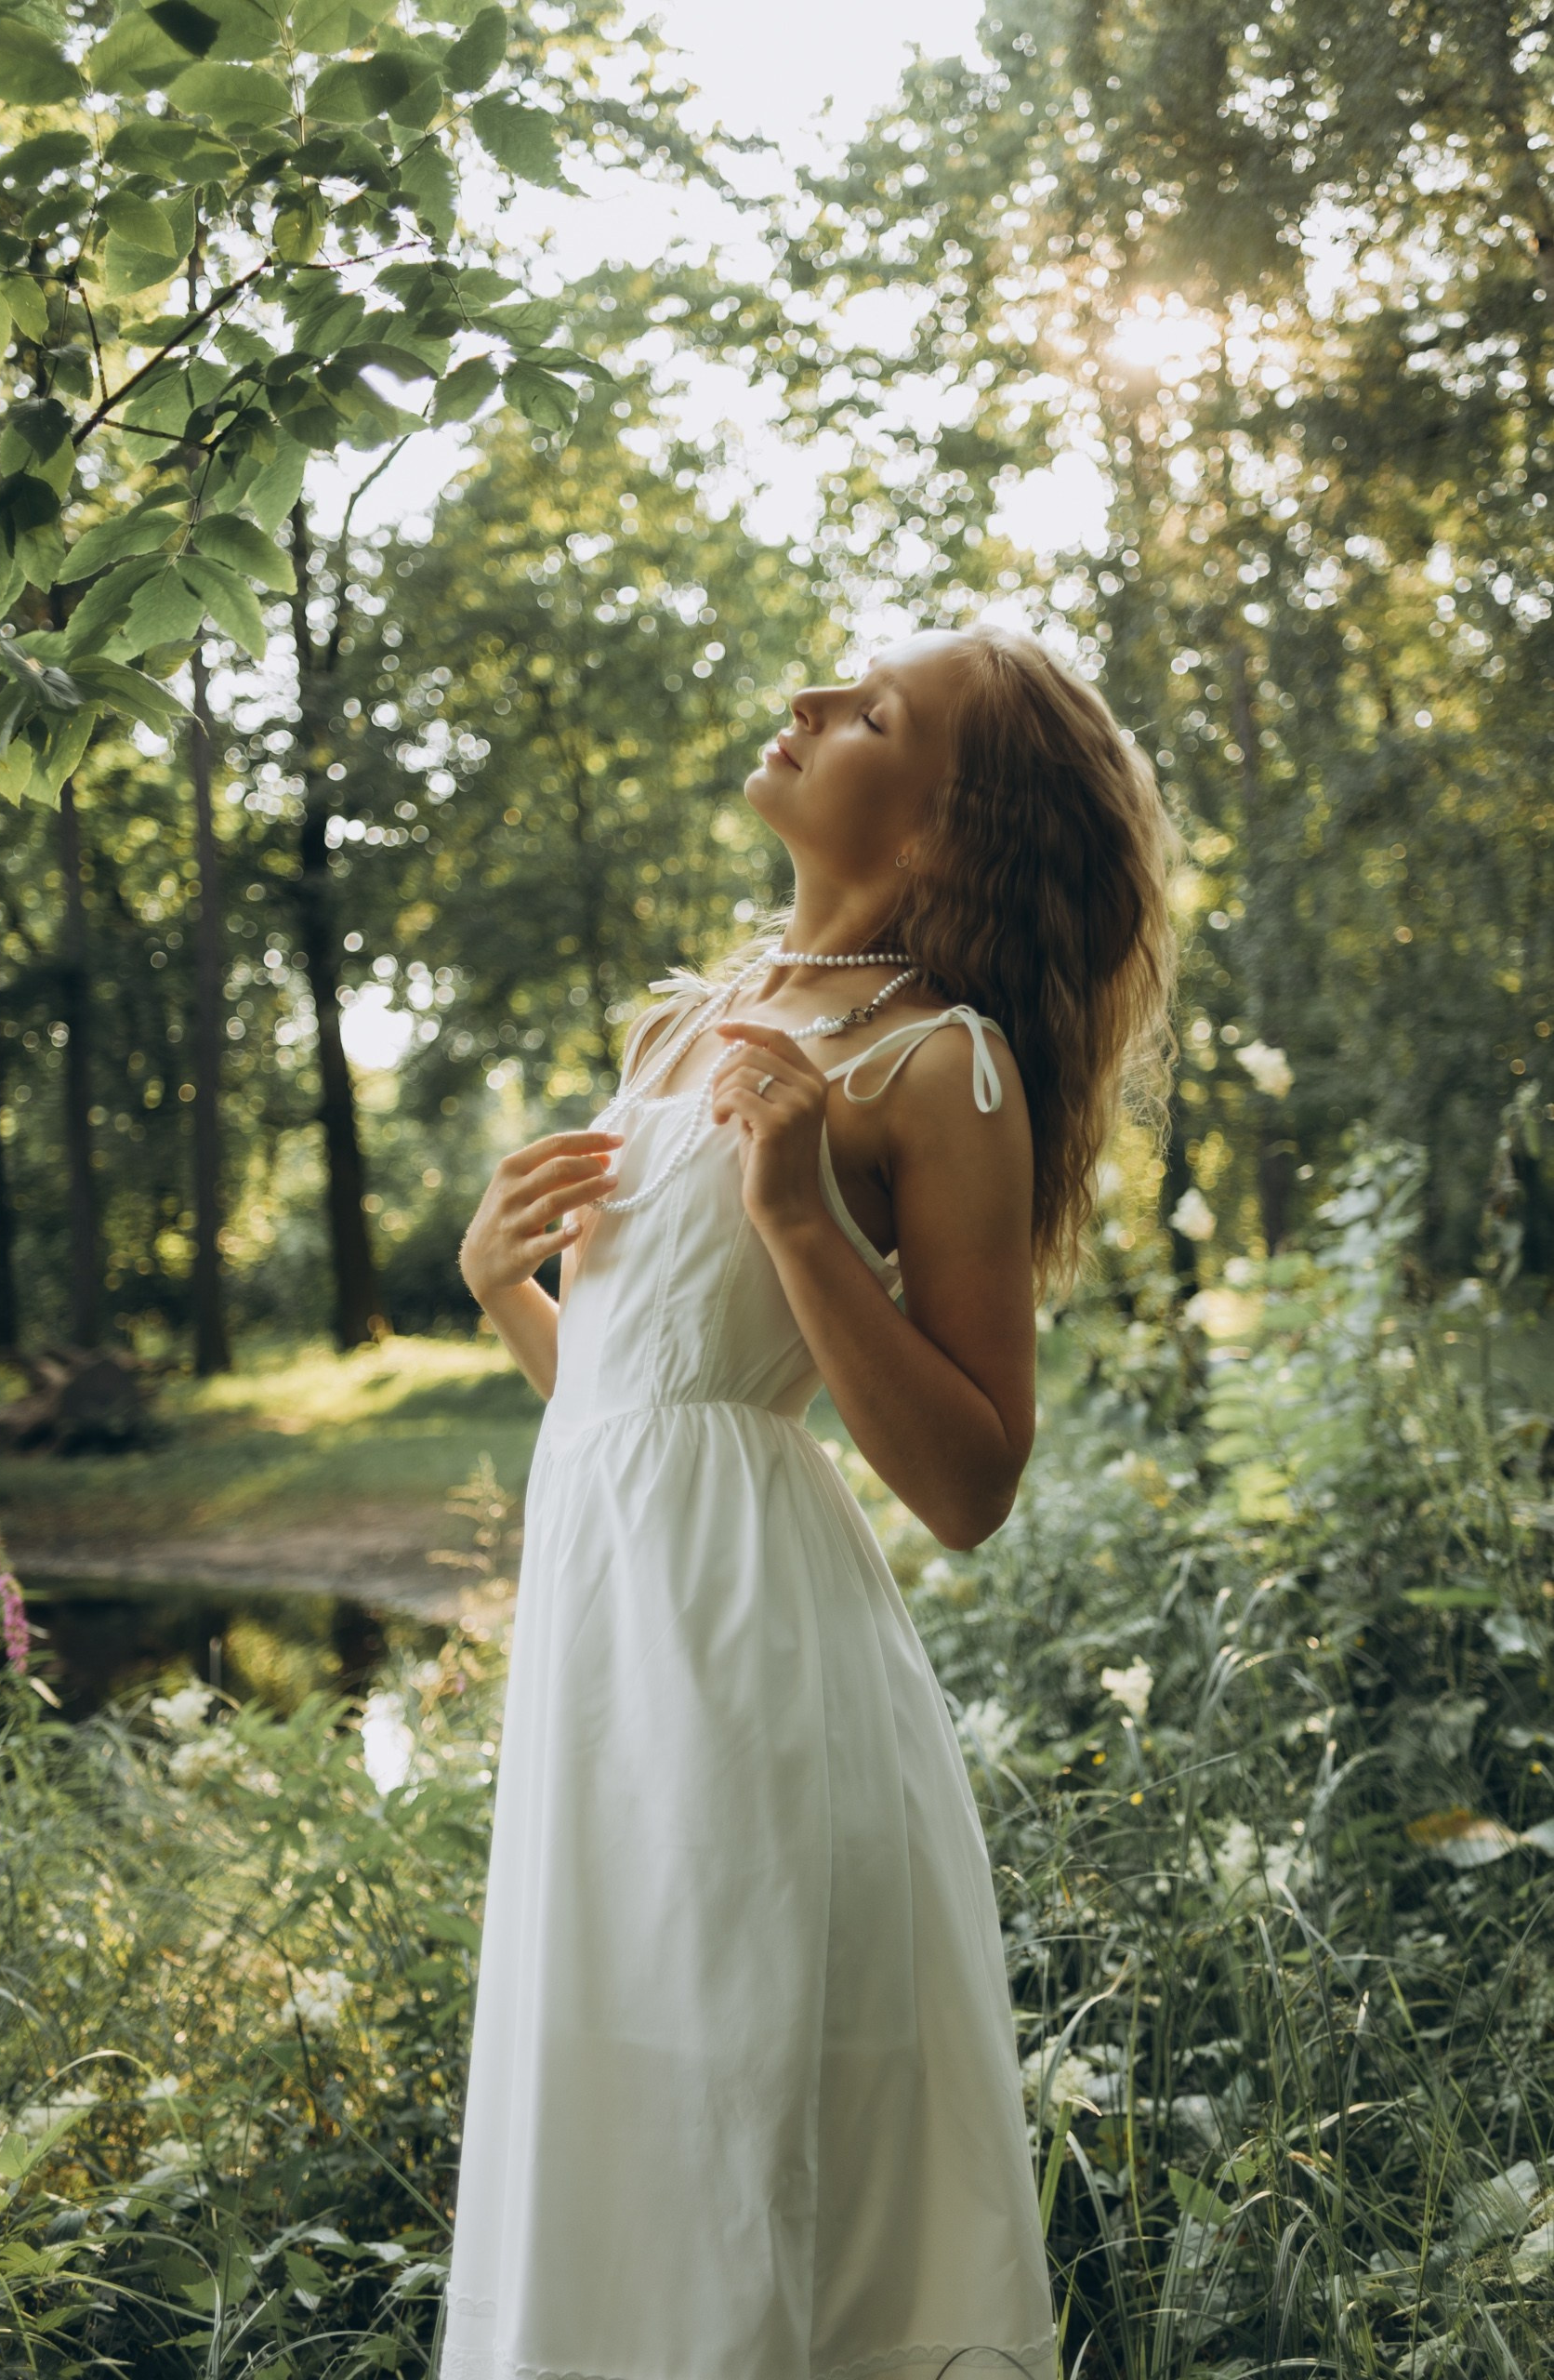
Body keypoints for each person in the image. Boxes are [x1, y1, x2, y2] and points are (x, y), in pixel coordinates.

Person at [443, 623, 1180, 2380]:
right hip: (609, 1665)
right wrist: (510, 1297)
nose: (798, 706)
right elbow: (647, 1412)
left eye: (867, 715)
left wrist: (792, 1211)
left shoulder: (944, 1066)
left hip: (758, 1680)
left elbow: (970, 1479)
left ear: (946, 825)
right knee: (614, 2086)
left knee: (738, 2100)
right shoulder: (684, 1022)